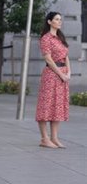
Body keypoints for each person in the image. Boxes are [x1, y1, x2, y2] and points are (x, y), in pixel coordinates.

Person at [36, 12, 70, 149]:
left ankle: (54, 138)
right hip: (51, 75)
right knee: (46, 105)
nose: (59, 21)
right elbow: (48, 59)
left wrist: (69, 72)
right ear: (49, 22)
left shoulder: (60, 38)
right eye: (56, 19)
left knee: (58, 106)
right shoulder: (46, 38)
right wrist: (60, 74)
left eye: (60, 19)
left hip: (63, 74)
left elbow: (66, 56)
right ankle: (44, 138)